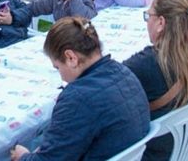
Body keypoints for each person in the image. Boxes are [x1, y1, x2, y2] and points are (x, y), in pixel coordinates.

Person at [11, 18, 150, 161]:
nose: (62, 77)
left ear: (71, 58)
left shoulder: (77, 98)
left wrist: (23, 156)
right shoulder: (124, 72)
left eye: (58, 67)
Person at [124, 0, 188, 160]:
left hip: (151, 149)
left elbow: (111, 87)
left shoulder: (148, 63)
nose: (147, 21)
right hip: (185, 140)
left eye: (148, 15)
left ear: (160, 22)